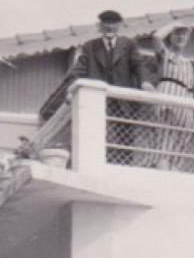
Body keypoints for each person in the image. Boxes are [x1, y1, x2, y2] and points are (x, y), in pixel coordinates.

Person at [63, 9, 151, 164]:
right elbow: (78, 70)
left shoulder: (129, 44)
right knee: (96, 135)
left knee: (125, 140)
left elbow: (138, 65)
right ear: (100, 26)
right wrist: (71, 90)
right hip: (99, 101)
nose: (110, 27)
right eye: (106, 24)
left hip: (124, 104)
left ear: (120, 26)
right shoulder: (90, 47)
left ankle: (124, 168)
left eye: (114, 24)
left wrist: (144, 81)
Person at [151, 21, 194, 170]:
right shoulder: (165, 55)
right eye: (177, 33)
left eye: (184, 34)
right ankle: (161, 170)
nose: (181, 37)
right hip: (168, 97)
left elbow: (191, 87)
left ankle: (174, 171)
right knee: (164, 141)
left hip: (185, 103)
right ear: (170, 36)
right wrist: (174, 25)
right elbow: (157, 37)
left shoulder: (188, 63)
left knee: (180, 144)